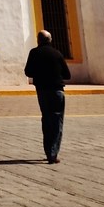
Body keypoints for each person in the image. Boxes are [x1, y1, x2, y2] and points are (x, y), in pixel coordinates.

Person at [24, 29, 71, 164]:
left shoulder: (34, 53)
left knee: (46, 119)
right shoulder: (57, 54)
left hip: (42, 91)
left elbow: (28, 71)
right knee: (57, 121)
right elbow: (67, 75)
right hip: (56, 90)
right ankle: (53, 153)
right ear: (50, 40)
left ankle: (48, 150)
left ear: (38, 40)